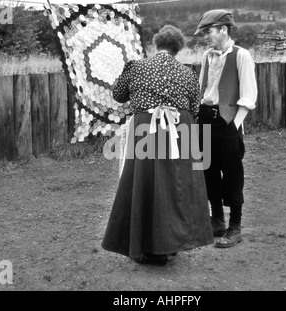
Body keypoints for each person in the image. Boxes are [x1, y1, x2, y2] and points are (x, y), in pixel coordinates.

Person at [101, 25, 214, 266]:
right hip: (180, 128)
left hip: (147, 128)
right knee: (176, 186)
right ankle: (169, 245)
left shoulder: (137, 67)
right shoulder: (188, 73)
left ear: (156, 45)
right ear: (177, 49)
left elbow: (119, 94)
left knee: (145, 183)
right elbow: (194, 109)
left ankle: (145, 245)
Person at [194, 10, 258, 248]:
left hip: (228, 123)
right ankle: (217, 220)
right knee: (207, 172)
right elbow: (203, 91)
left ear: (223, 29)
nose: (205, 37)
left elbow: (249, 95)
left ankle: (236, 226)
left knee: (232, 175)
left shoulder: (241, 56)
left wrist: (233, 125)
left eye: (208, 31)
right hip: (205, 121)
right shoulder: (206, 56)